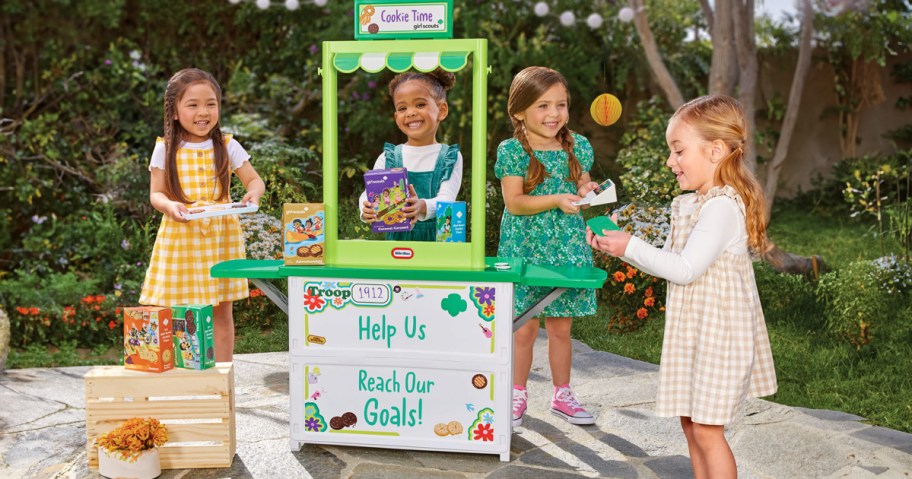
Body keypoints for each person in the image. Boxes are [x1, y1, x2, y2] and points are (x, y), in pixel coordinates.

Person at [586, 94, 777, 478]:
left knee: (707, 430)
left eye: (678, 151)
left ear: (716, 151)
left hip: (718, 339)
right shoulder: (698, 202)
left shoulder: (722, 206)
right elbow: (672, 263)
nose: (670, 161)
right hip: (697, 335)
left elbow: (686, 269)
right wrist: (621, 248)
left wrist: (630, 245)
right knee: (691, 424)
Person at [497, 66, 600, 428]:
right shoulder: (512, 151)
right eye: (543, 106)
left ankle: (562, 394)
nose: (554, 114)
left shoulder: (578, 146)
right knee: (523, 326)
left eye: (561, 105)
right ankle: (515, 394)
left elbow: (582, 185)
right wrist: (556, 198)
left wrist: (588, 191)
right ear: (519, 111)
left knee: (560, 326)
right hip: (524, 247)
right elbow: (515, 203)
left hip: (566, 247)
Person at [139, 68, 265, 362]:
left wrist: (253, 194)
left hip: (220, 237)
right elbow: (156, 194)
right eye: (192, 104)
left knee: (221, 309)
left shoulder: (227, 145)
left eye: (211, 103)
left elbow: (254, 180)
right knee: (172, 307)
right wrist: (169, 206)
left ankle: (223, 374)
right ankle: (176, 374)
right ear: (174, 111)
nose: (203, 112)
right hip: (180, 234)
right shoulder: (165, 148)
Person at [359, 68, 463, 241]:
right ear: (396, 116)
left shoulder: (449, 158)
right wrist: (365, 208)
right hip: (397, 244)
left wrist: (421, 206)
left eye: (420, 104)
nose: (411, 112)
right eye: (402, 108)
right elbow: (369, 193)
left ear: (442, 110)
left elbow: (447, 199)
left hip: (438, 241)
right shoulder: (388, 157)